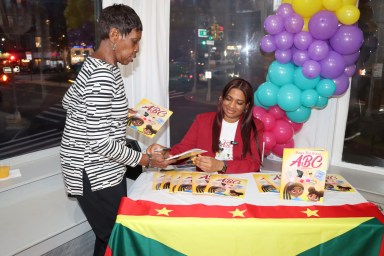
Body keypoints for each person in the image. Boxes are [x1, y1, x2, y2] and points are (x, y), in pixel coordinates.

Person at [60, 4, 173, 256]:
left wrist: (124, 114)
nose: (136, 50)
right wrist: (145, 159)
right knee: (117, 238)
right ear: (113, 35)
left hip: (92, 165)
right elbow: (100, 141)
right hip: (94, 170)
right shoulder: (103, 76)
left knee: (109, 238)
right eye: (133, 42)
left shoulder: (94, 66)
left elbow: (71, 102)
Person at [148, 78, 264, 173]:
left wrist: (222, 166)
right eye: (228, 99)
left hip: (239, 182)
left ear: (247, 106)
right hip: (205, 182)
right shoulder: (203, 120)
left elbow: (254, 163)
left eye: (239, 103)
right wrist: (164, 152)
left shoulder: (255, 126)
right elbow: (184, 149)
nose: (232, 106)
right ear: (222, 98)